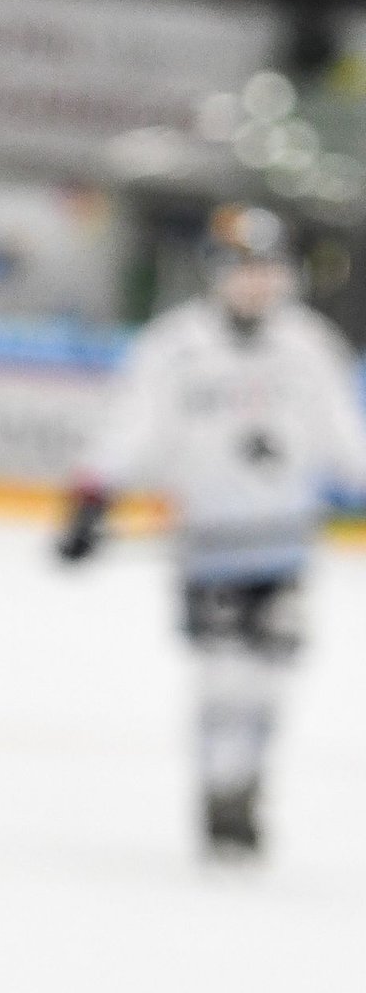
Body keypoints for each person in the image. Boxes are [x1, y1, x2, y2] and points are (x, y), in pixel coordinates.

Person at [57, 203, 366, 858]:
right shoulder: (175, 347)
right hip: (209, 548)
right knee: (222, 676)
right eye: (243, 268)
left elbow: (345, 438)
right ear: (217, 272)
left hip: (282, 545)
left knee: (270, 680)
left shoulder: (310, 347)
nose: (257, 282)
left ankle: (246, 785)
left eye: (269, 268)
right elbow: (133, 428)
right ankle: (218, 788)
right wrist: (94, 495)